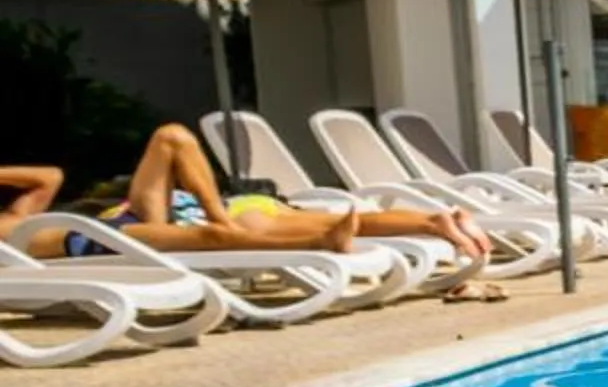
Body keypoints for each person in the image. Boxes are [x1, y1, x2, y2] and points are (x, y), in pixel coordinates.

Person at [4, 123, 496, 280]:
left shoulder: (16, 213)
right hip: (94, 241)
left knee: (172, 136)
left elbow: (49, 176)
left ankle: (434, 221)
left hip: (124, 218)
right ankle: (321, 240)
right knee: (226, 234)